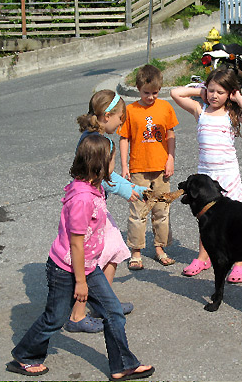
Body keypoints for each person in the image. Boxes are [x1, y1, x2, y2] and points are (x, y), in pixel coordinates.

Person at [7, 134, 155, 381]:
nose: (114, 166)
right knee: (55, 318)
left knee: (113, 312)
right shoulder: (83, 198)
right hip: (67, 269)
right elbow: (76, 244)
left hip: (86, 265)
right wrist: (81, 282)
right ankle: (24, 356)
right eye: (112, 161)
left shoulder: (92, 187)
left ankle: (123, 366)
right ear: (100, 163)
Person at [63, 90, 149, 333]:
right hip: (93, 209)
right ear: (107, 116)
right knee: (93, 261)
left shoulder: (88, 137)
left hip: (94, 205)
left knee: (114, 251)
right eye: (120, 117)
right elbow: (108, 179)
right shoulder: (105, 144)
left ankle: (104, 303)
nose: (122, 122)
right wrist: (134, 190)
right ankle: (78, 315)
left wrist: (131, 188)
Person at [170, 68, 242, 283]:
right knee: (205, 217)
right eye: (211, 90)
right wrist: (199, 89)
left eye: (220, 92)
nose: (214, 95)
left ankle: (239, 261)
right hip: (206, 176)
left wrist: (238, 96)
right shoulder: (200, 110)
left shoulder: (232, 114)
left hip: (228, 174)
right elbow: (175, 93)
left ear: (229, 93)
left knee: (236, 218)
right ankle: (204, 256)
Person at [119, 64, 179, 270]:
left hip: (161, 169)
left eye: (155, 93)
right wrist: (124, 165)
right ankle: (136, 251)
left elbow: (170, 134)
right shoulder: (130, 110)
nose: (151, 97)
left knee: (162, 210)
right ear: (138, 88)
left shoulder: (165, 108)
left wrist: (170, 159)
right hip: (138, 169)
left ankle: (160, 248)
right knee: (138, 211)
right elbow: (124, 138)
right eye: (146, 93)